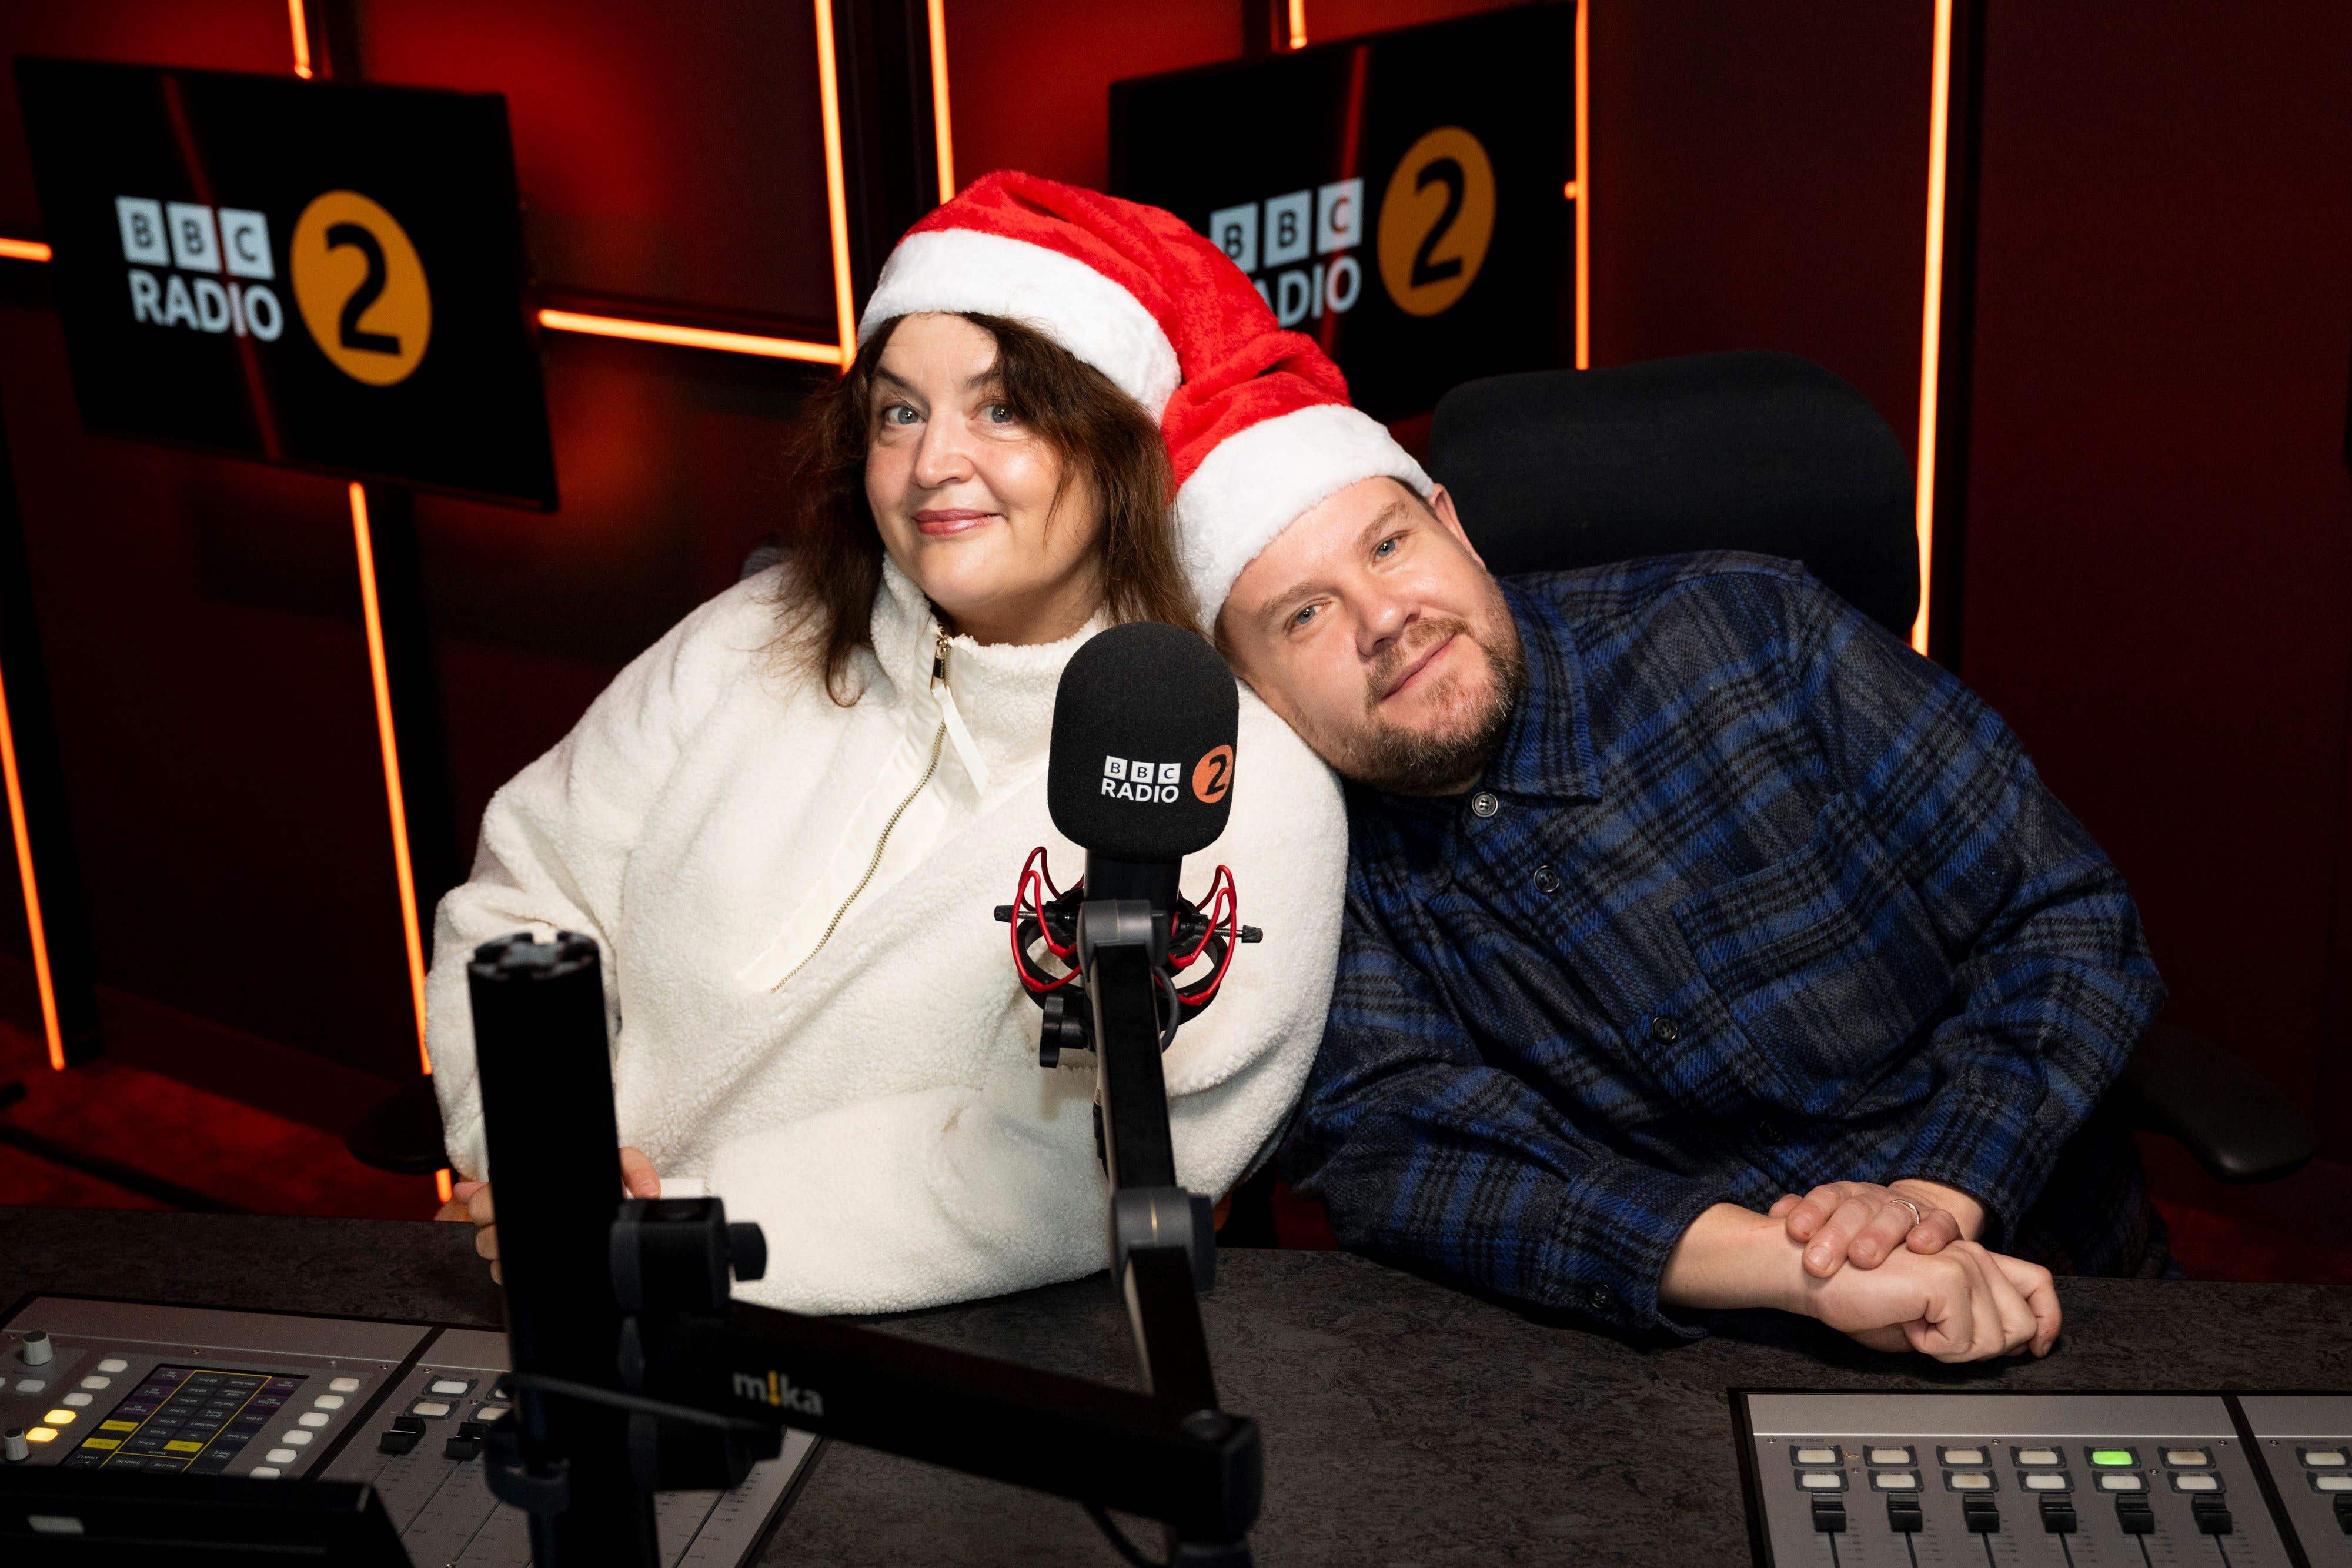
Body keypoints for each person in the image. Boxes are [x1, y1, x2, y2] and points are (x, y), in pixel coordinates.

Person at [1145, 270, 2163, 1361]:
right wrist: (1800, 1273)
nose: (1386, 618)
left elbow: (2063, 922)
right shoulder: (1305, 857)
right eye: (1304, 615)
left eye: (1389, 546)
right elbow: (1416, 1158)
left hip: (2060, 1285)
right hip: (1689, 1372)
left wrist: (1935, 1196)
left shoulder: (1753, 634)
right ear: (1255, 689)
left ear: (1455, 527)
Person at [425, 174, 1346, 1315]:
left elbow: (1052, 1175)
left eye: (1003, 408)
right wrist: (540, 1158)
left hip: (933, 1385)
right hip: (562, 1287)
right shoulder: (748, 637)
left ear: (1120, 451)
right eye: (898, 410)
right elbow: (523, 900)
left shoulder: (1230, 785)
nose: (930, 463)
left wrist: (655, 1232)